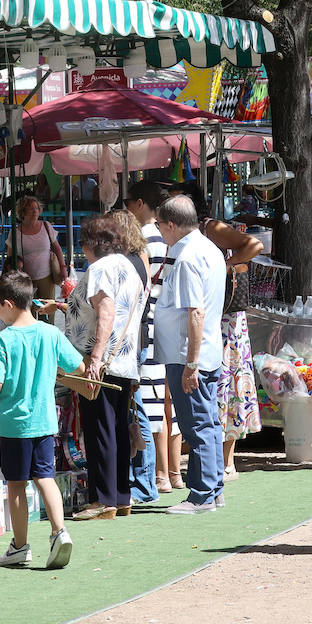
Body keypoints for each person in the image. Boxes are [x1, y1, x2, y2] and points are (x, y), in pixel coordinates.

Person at [40, 214, 147, 520]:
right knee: (116, 429)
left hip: (99, 362)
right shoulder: (130, 267)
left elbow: (106, 312)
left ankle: (103, 500)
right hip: (124, 361)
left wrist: (95, 359)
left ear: (92, 244)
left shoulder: (100, 268)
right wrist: (61, 306)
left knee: (100, 430)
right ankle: (120, 495)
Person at [0, 271, 77, 569]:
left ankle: (20, 545)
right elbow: (78, 366)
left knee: (16, 484)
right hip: (44, 420)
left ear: (7, 304)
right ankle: (59, 531)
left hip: (14, 423)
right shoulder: (51, 334)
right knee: (45, 477)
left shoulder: (3, 340)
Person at [169, 181, 263, 481]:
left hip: (223, 319)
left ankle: (226, 460)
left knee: (226, 384)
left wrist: (226, 264)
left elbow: (253, 244)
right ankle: (219, 460)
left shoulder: (210, 228)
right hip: (216, 317)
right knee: (221, 387)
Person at [152, 194, 227, 515]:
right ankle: (211, 489)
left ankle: (203, 494)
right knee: (206, 422)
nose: (159, 232)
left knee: (198, 425)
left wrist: (191, 364)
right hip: (201, 350)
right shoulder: (208, 248)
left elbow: (194, 312)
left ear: (170, 224)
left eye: (159, 225)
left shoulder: (187, 258)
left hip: (189, 356)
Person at [125, 179, 182, 493]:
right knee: (168, 400)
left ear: (138, 204)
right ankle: (173, 473)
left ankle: (158, 474)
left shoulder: (142, 240)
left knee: (150, 402)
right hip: (171, 324)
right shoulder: (173, 239)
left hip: (147, 327)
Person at [108, 208, 158, 503]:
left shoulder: (128, 262)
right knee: (133, 408)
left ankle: (144, 481)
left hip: (130, 341)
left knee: (135, 408)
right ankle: (142, 479)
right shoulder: (140, 257)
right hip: (137, 338)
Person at [2, 195, 67, 301]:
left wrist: (63, 268)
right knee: (28, 311)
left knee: (47, 310)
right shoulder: (15, 232)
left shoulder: (46, 226)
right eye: (31, 208)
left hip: (47, 277)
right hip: (25, 279)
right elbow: (10, 257)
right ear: (23, 212)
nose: (35, 211)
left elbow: (57, 248)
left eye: (36, 208)